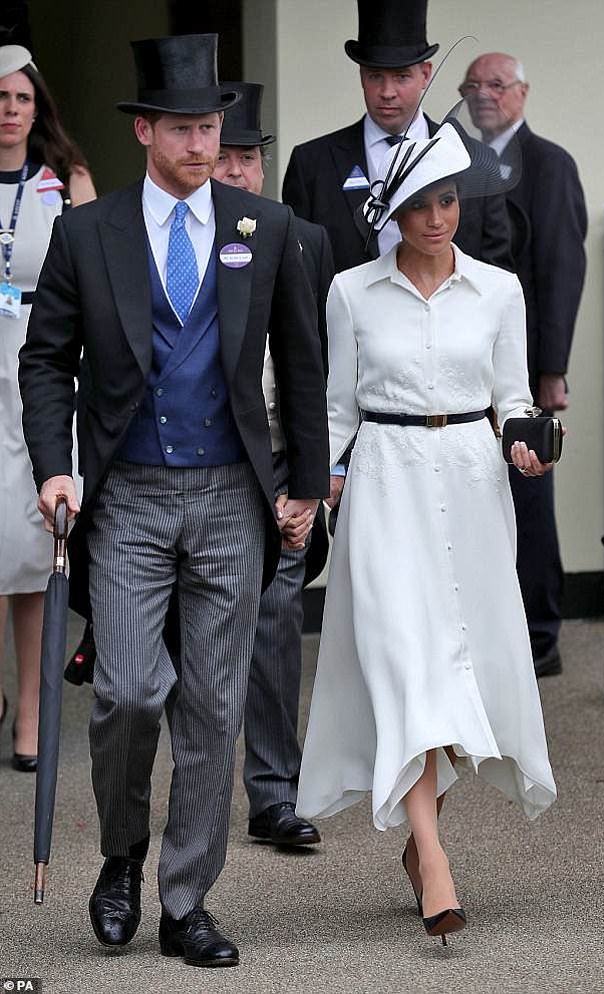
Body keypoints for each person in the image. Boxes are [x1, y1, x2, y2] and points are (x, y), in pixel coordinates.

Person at [18, 33, 329, 969]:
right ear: (146, 130)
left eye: (214, 128)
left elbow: (302, 367)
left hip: (234, 496)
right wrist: (54, 464)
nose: (204, 145)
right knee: (125, 691)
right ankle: (121, 851)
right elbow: (45, 361)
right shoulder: (88, 232)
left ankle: (185, 899)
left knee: (212, 704)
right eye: (186, 129)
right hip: (130, 499)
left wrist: (305, 486)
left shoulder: (261, 228)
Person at [295, 123, 557, 945]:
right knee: (405, 662)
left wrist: (526, 440)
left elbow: (513, 396)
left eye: (449, 200)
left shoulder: (501, 291)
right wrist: (316, 486)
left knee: (458, 670)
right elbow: (337, 408)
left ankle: (420, 844)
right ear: (394, 213)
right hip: (383, 480)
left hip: (472, 481)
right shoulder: (349, 292)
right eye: (420, 204)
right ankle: (436, 860)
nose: (439, 217)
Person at [213, 81, 333, 848]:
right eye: (223, 157)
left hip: (279, 462)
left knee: (277, 625)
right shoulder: (177, 241)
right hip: (199, 467)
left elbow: (313, 364)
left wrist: (309, 484)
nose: (234, 172)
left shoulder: (301, 239)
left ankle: (272, 794)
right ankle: (195, 784)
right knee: (193, 639)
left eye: (248, 158)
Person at [459, 52, 587, 677]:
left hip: (529, 362)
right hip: (467, 358)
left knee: (529, 492)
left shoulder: (550, 163)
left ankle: (540, 636)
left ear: (523, 93)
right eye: (473, 85)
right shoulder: (459, 160)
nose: (485, 94)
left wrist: (552, 370)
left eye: (498, 85)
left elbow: (563, 270)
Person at [0, 37, 95, 771]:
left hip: (38, 370)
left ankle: (31, 711)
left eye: (22, 97)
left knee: (35, 545)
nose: (10, 110)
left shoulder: (64, 179)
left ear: (40, 108)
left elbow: (96, 278)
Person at [282, 0, 512, 275]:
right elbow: (298, 275)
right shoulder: (312, 164)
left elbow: (495, 271)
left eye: (402, 76)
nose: (387, 91)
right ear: (361, 76)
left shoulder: (476, 159)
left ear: (425, 74)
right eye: (375, 76)